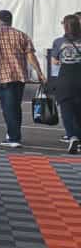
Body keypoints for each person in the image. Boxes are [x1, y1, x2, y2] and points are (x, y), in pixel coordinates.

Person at [0, 9, 45, 148]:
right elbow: (31, 56)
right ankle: (13, 134)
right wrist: (39, 73)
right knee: (15, 106)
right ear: (11, 20)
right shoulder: (21, 35)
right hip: (19, 76)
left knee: (8, 108)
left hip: (2, 76)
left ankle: (13, 137)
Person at [51, 14, 81, 153]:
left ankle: (72, 136)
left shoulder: (58, 42)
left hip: (65, 79)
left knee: (66, 110)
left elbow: (54, 61)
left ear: (65, 26)